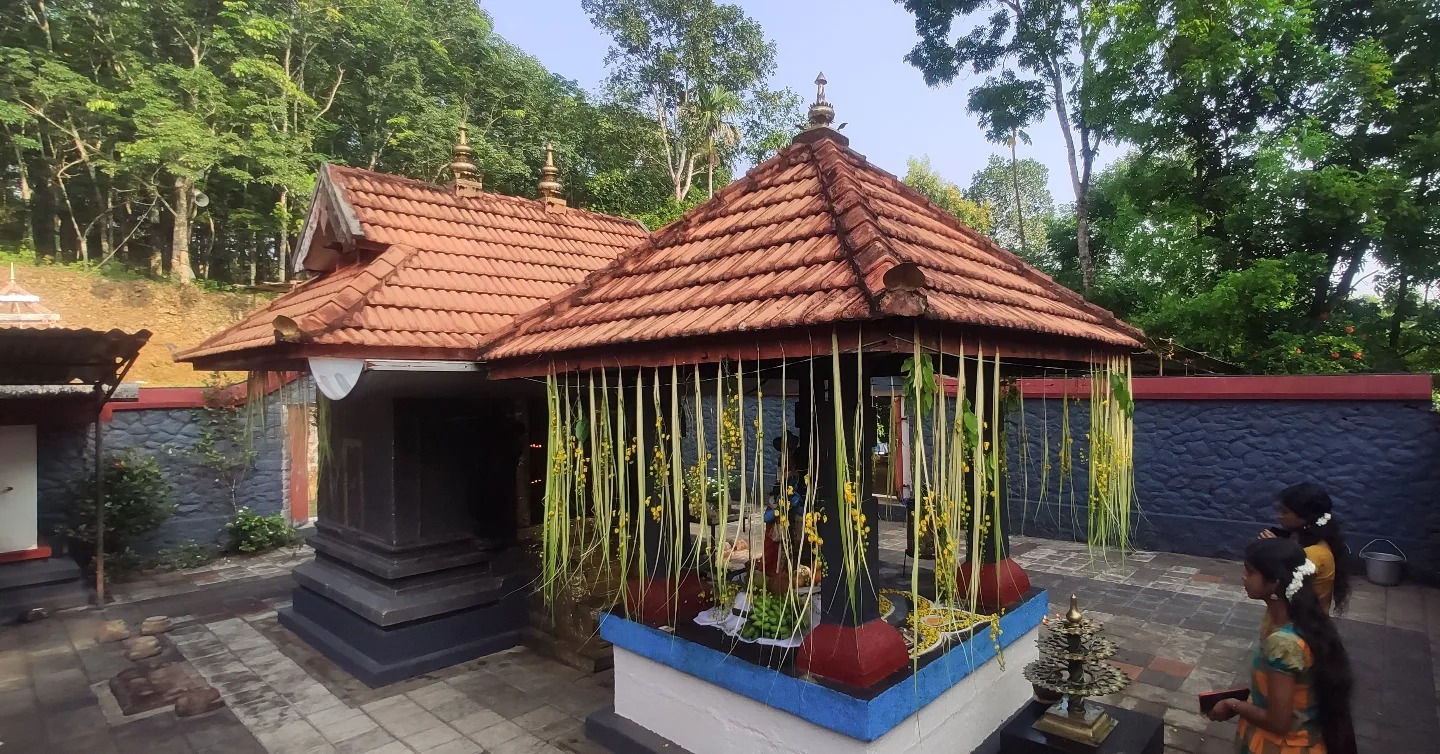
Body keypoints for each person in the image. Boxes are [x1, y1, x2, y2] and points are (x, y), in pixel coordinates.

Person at [1207, 538, 1356, 754]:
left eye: (1250, 572)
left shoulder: (1283, 644)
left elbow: (1278, 722)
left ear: (1274, 582)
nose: (1243, 578)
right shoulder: (1307, 622)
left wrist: (1232, 704)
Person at [1259, 482, 1351, 618]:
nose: (1279, 516)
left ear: (1305, 517)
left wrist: (1274, 550)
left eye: (1285, 511)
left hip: (1299, 628)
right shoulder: (1307, 542)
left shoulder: (1314, 555)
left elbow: (1280, 587)